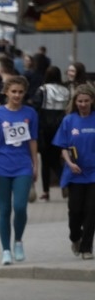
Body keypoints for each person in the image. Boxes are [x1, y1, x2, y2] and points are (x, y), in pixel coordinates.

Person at [0, 75, 38, 265]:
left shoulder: (30, 113)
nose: (17, 95)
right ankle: (6, 250)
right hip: (1, 167)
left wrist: (35, 165)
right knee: (4, 209)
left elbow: (32, 141)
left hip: (22, 166)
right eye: (14, 91)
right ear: (6, 92)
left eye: (21, 92)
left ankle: (18, 241)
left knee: (20, 206)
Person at [53, 83, 95, 259]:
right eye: (80, 101)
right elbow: (63, 146)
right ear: (75, 101)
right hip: (75, 174)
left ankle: (86, 248)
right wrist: (70, 163)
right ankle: (75, 237)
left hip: (93, 174)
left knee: (91, 211)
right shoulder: (69, 120)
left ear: (92, 101)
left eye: (86, 101)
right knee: (75, 211)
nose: (83, 104)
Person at [33, 66, 70, 201]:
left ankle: (46, 191)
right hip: (60, 127)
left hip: (45, 129)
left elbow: (36, 107)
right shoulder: (65, 90)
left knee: (46, 160)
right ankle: (63, 183)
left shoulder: (43, 90)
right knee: (56, 158)